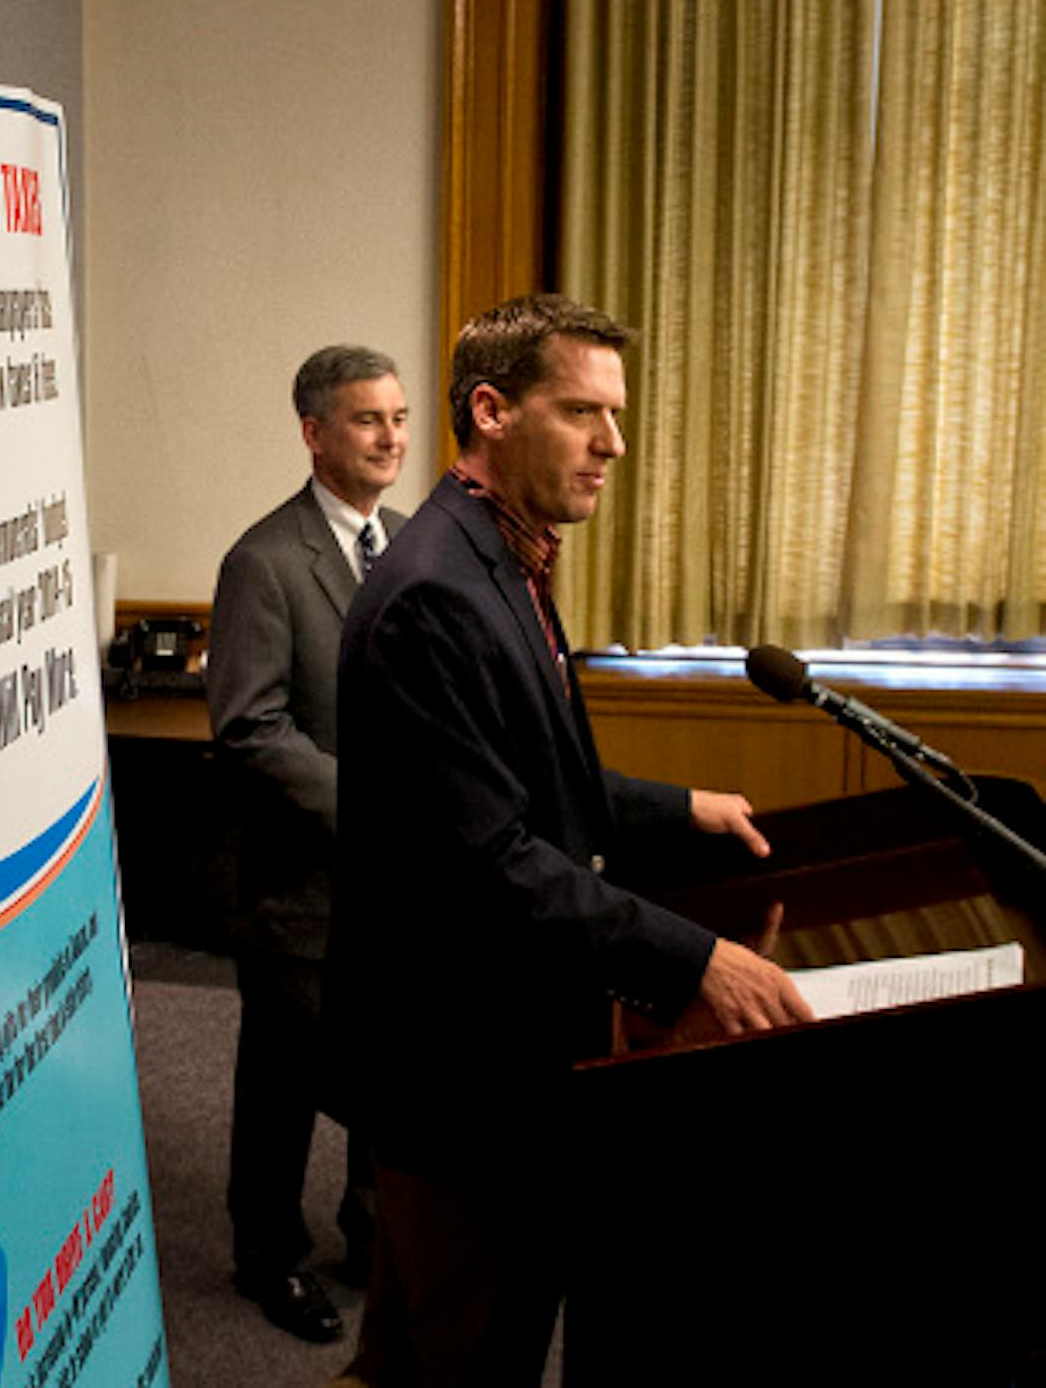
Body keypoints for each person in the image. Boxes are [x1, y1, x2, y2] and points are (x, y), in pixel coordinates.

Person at [327, 294, 814, 1387]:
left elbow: (529, 774)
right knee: (471, 1352)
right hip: (459, 1071)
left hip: (489, 1049)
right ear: (492, 411)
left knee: (412, 1350)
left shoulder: (497, 553)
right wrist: (694, 959)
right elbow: (490, 857)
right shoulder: (435, 595)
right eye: (584, 412)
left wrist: (680, 805)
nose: (614, 444)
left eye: (617, 414)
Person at [206, 344, 409, 1343]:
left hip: (404, 883)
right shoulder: (265, 560)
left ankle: (373, 1232)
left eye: (401, 418)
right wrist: (370, 806)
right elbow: (249, 725)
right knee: (284, 1084)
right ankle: (266, 1257)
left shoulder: (410, 543)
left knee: (390, 1066)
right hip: (302, 886)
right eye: (369, 420)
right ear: (315, 432)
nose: (392, 439)